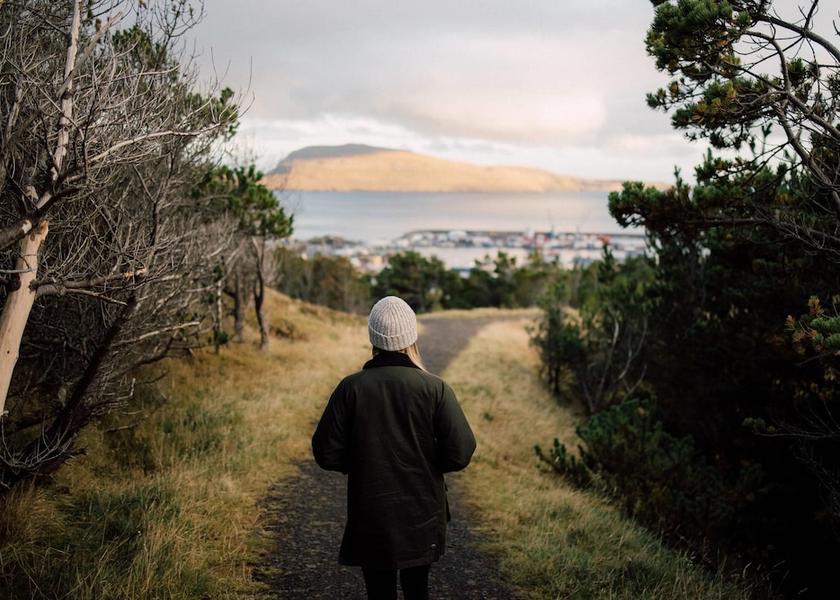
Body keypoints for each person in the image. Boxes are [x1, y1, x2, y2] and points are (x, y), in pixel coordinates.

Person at [312, 295, 476, 600]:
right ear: (411, 337)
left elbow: (326, 452)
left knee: (378, 592)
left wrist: (362, 462)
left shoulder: (351, 387)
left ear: (372, 337)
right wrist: (427, 462)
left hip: (370, 509)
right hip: (422, 511)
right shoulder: (435, 388)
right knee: (417, 588)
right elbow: (460, 451)